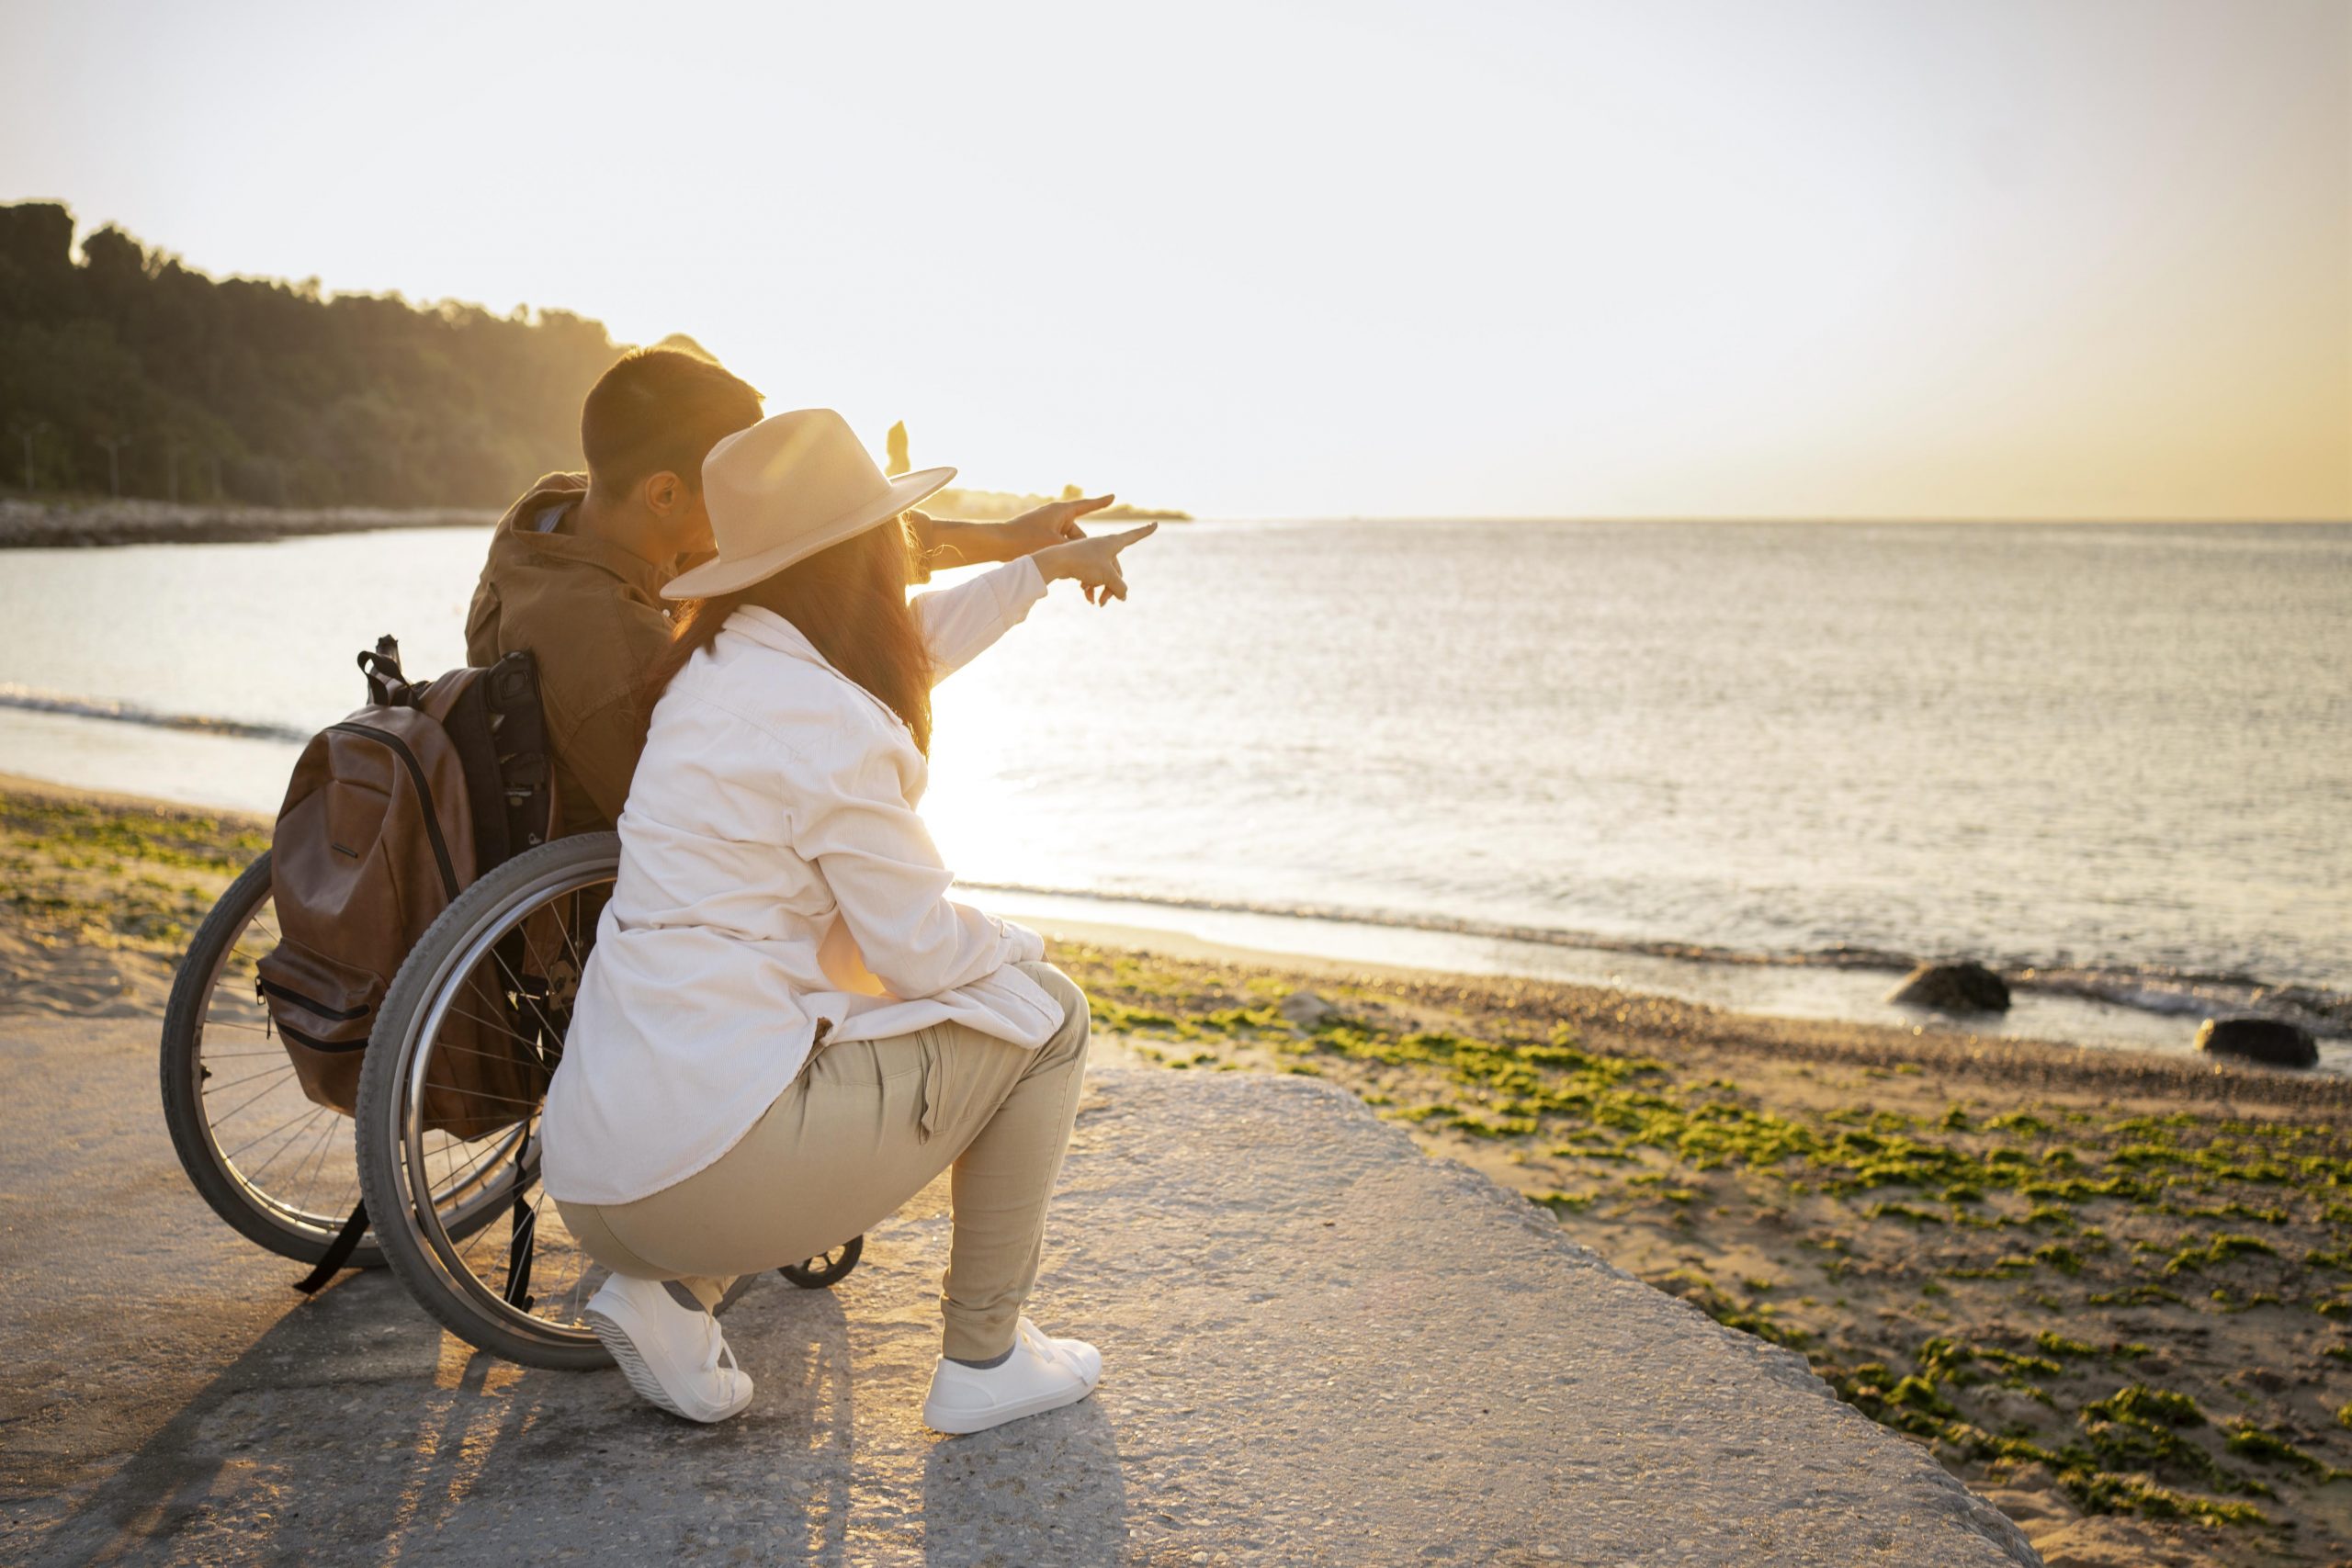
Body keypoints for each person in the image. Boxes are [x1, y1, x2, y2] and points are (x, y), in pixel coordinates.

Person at [543, 406, 1158, 1433]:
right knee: (1050, 1016)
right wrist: (1020, 950)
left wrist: (1036, 573)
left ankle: (671, 1296)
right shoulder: (824, 717)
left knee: (801, 1023)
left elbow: (900, 647)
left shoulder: (719, 666)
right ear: (861, 550)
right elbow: (917, 952)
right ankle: (986, 1357)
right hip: (699, 1168)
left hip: (601, 1174)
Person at [465, 346, 1112, 837]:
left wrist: (1011, 539)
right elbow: (695, 829)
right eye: (740, 486)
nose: (761, 507)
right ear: (665, 492)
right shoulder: (609, 647)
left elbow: (836, 542)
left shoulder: (574, 514)